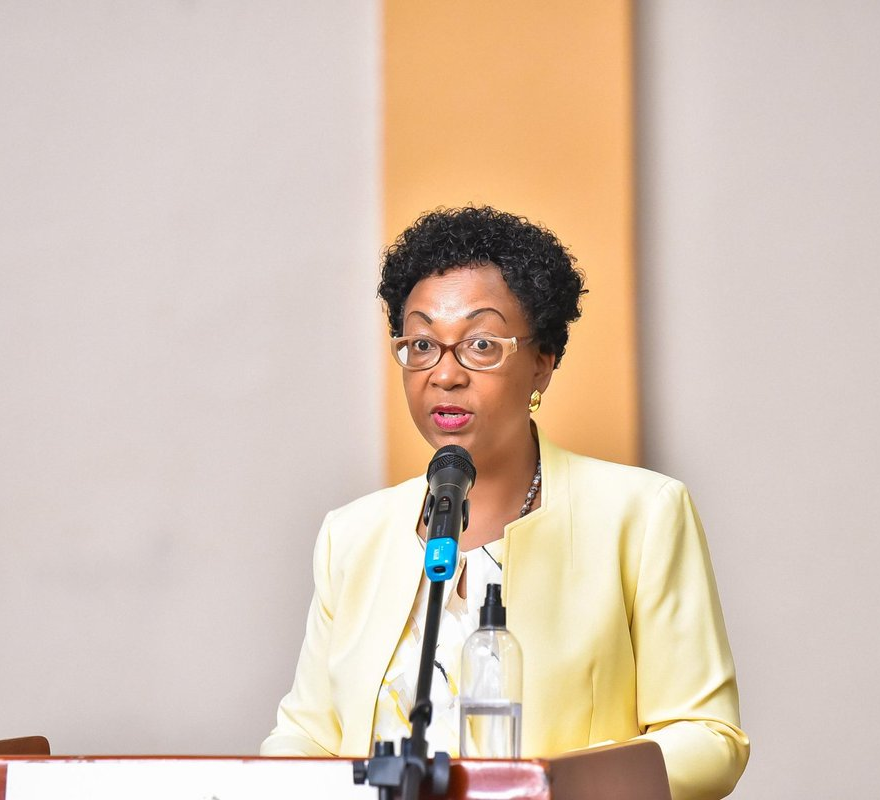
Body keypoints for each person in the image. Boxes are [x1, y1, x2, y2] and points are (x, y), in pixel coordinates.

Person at [260, 206, 749, 800]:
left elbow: (709, 738)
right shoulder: (352, 535)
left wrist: (546, 786)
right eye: (422, 344)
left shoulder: (641, 514)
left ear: (542, 362)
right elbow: (305, 739)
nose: (444, 375)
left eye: (481, 344)